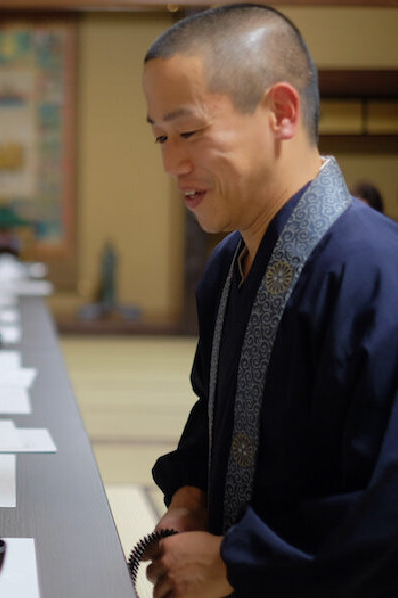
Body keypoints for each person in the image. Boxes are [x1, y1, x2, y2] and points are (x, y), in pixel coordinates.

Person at [142, 5, 398, 597]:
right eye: (160, 137)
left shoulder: (378, 274)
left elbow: (385, 506)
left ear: (281, 112)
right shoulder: (225, 267)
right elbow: (215, 412)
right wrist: (191, 497)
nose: (171, 163)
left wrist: (236, 562)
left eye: (189, 132)